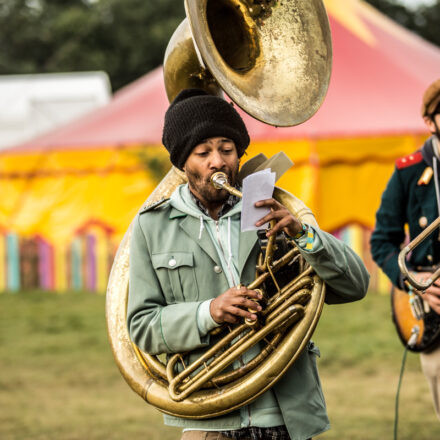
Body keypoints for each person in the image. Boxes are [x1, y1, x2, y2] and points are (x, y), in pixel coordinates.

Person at [127, 88, 370, 440]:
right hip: (209, 417)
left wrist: (305, 236)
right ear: (183, 162)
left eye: (227, 150)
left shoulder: (272, 206)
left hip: (286, 415)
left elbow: (355, 286)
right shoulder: (151, 226)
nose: (217, 162)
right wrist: (208, 312)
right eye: (203, 152)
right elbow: (142, 327)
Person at [370, 78, 440, 420]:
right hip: (433, 309)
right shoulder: (409, 172)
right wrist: (417, 283)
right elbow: (382, 241)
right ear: (430, 122)